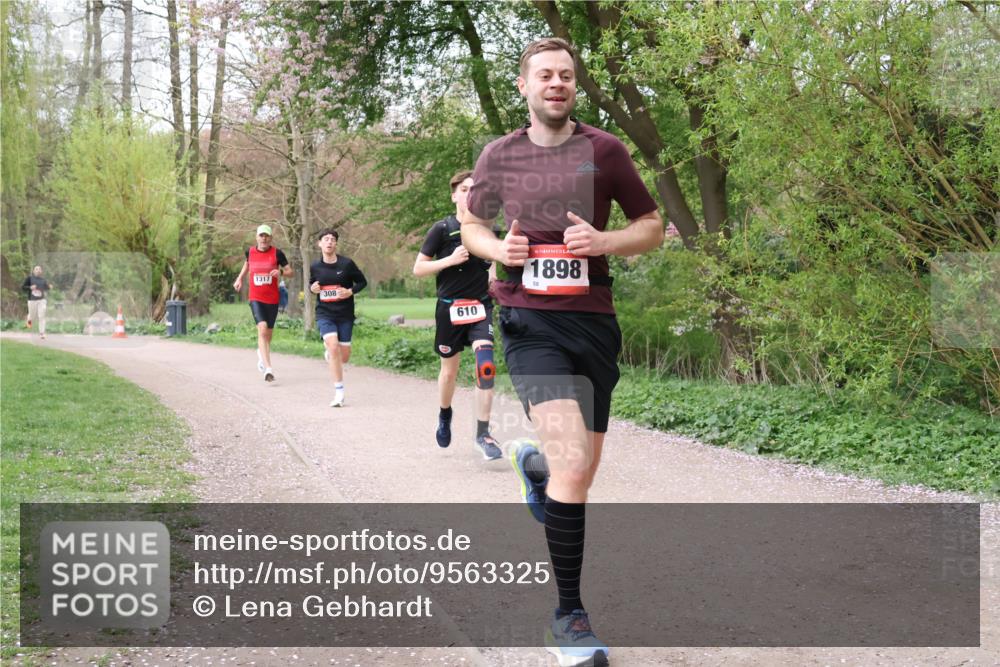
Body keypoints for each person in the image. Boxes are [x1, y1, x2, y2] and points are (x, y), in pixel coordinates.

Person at [460, 37, 664, 666]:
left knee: (578, 472)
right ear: (523, 86)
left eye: (566, 76)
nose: (556, 83)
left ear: (575, 86)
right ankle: (568, 618)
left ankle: (538, 471)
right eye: (544, 75)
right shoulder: (500, 155)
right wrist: (500, 252)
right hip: (528, 322)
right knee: (576, 464)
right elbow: (474, 225)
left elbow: (651, 227)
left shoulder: (604, 150)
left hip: (593, 324)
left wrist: (604, 242)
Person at [413, 170, 502, 460]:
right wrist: (449, 260)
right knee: (448, 372)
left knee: (486, 366)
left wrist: (494, 281)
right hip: (449, 308)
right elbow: (418, 268)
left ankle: (483, 433)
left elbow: (492, 264)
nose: (469, 194)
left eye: (474, 190)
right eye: (464, 189)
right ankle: (444, 414)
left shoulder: (489, 229)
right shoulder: (442, 229)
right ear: (454, 195)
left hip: (480, 307)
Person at [309, 228, 367, 407]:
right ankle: (339, 393)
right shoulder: (315, 266)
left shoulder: (347, 264)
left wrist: (349, 291)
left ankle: (331, 353)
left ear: (336, 244)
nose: (329, 242)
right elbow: (312, 284)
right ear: (319, 244)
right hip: (325, 313)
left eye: (332, 239)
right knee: (334, 347)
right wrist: (312, 288)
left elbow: (362, 282)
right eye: (325, 239)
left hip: (345, 314)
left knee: (344, 357)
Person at [233, 224, 293, 382]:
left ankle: (261, 353)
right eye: (261, 235)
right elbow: (247, 264)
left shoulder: (277, 253)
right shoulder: (250, 252)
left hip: (272, 299)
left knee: (268, 335)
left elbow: (290, 272)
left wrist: (280, 272)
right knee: (262, 328)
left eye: (266, 235)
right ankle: (268, 369)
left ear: (270, 238)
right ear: (256, 237)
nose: (264, 238)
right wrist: (239, 278)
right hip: (255, 298)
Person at [22, 265, 51, 339]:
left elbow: (46, 287)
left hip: (41, 300)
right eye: (36, 269)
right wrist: (30, 287)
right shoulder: (29, 278)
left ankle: (42, 333)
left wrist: (49, 287)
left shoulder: (43, 280)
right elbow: (23, 287)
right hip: (32, 300)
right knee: (32, 316)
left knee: (42, 315)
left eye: (39, 269)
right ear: (33, 271)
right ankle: (29, 320)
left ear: (41, 271)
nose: (38, 270)